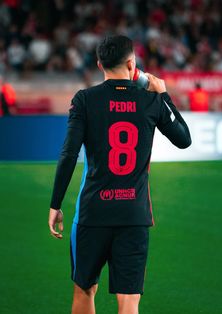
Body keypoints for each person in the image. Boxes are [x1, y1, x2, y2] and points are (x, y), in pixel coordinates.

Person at [48, 35, 191, 314]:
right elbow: (184, 139)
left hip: (93, 214)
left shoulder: (85, 100)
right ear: (131, 63)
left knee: (84, 290)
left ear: (100, 64)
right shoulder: (151, 101)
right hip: (134, 215)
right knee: (129, 300)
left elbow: (68, 154)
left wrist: (55, 204)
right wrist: (163, 95)